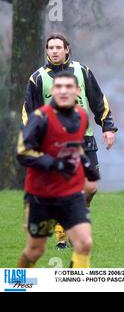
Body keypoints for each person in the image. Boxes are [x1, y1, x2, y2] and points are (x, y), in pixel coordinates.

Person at [22, 32, 118, 249]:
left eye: (58, 47)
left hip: (85, 138)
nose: (54, 51)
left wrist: (108, 127)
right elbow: (29, 112)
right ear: (46, 51)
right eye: (50, 47)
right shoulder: (38, 78)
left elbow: (98, 100)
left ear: (67, 49)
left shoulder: (82, 71)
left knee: (91, 188)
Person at [17, 72, 99, 268]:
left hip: (71, 194)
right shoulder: (40, 118)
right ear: (52, 91)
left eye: (69, 87)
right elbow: (23, 151)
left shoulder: (81, 116)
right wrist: (54, 164)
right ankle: (16, 285)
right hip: (41, 196)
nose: (63, 91)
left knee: (84, 243)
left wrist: (85, 164)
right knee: (35, 250)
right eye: (59, 87)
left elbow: (75, 146)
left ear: (78, 91)